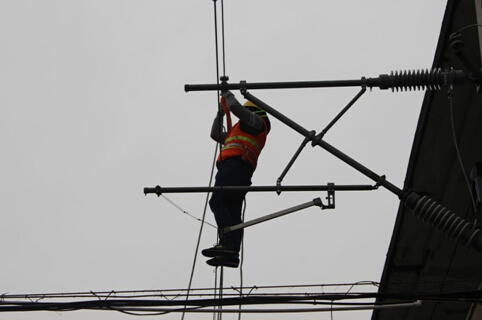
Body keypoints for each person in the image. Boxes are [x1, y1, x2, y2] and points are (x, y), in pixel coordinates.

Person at [202, 91, 271, 268]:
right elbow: (215, 134)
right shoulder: (238, 130)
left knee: (218, 201)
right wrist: (221, 112)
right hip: (237, 168)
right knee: (232, 211)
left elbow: (235, 107)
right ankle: (232, 251)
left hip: (235, 166)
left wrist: (228, 95)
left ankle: (226, 243)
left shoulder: (258, 123)